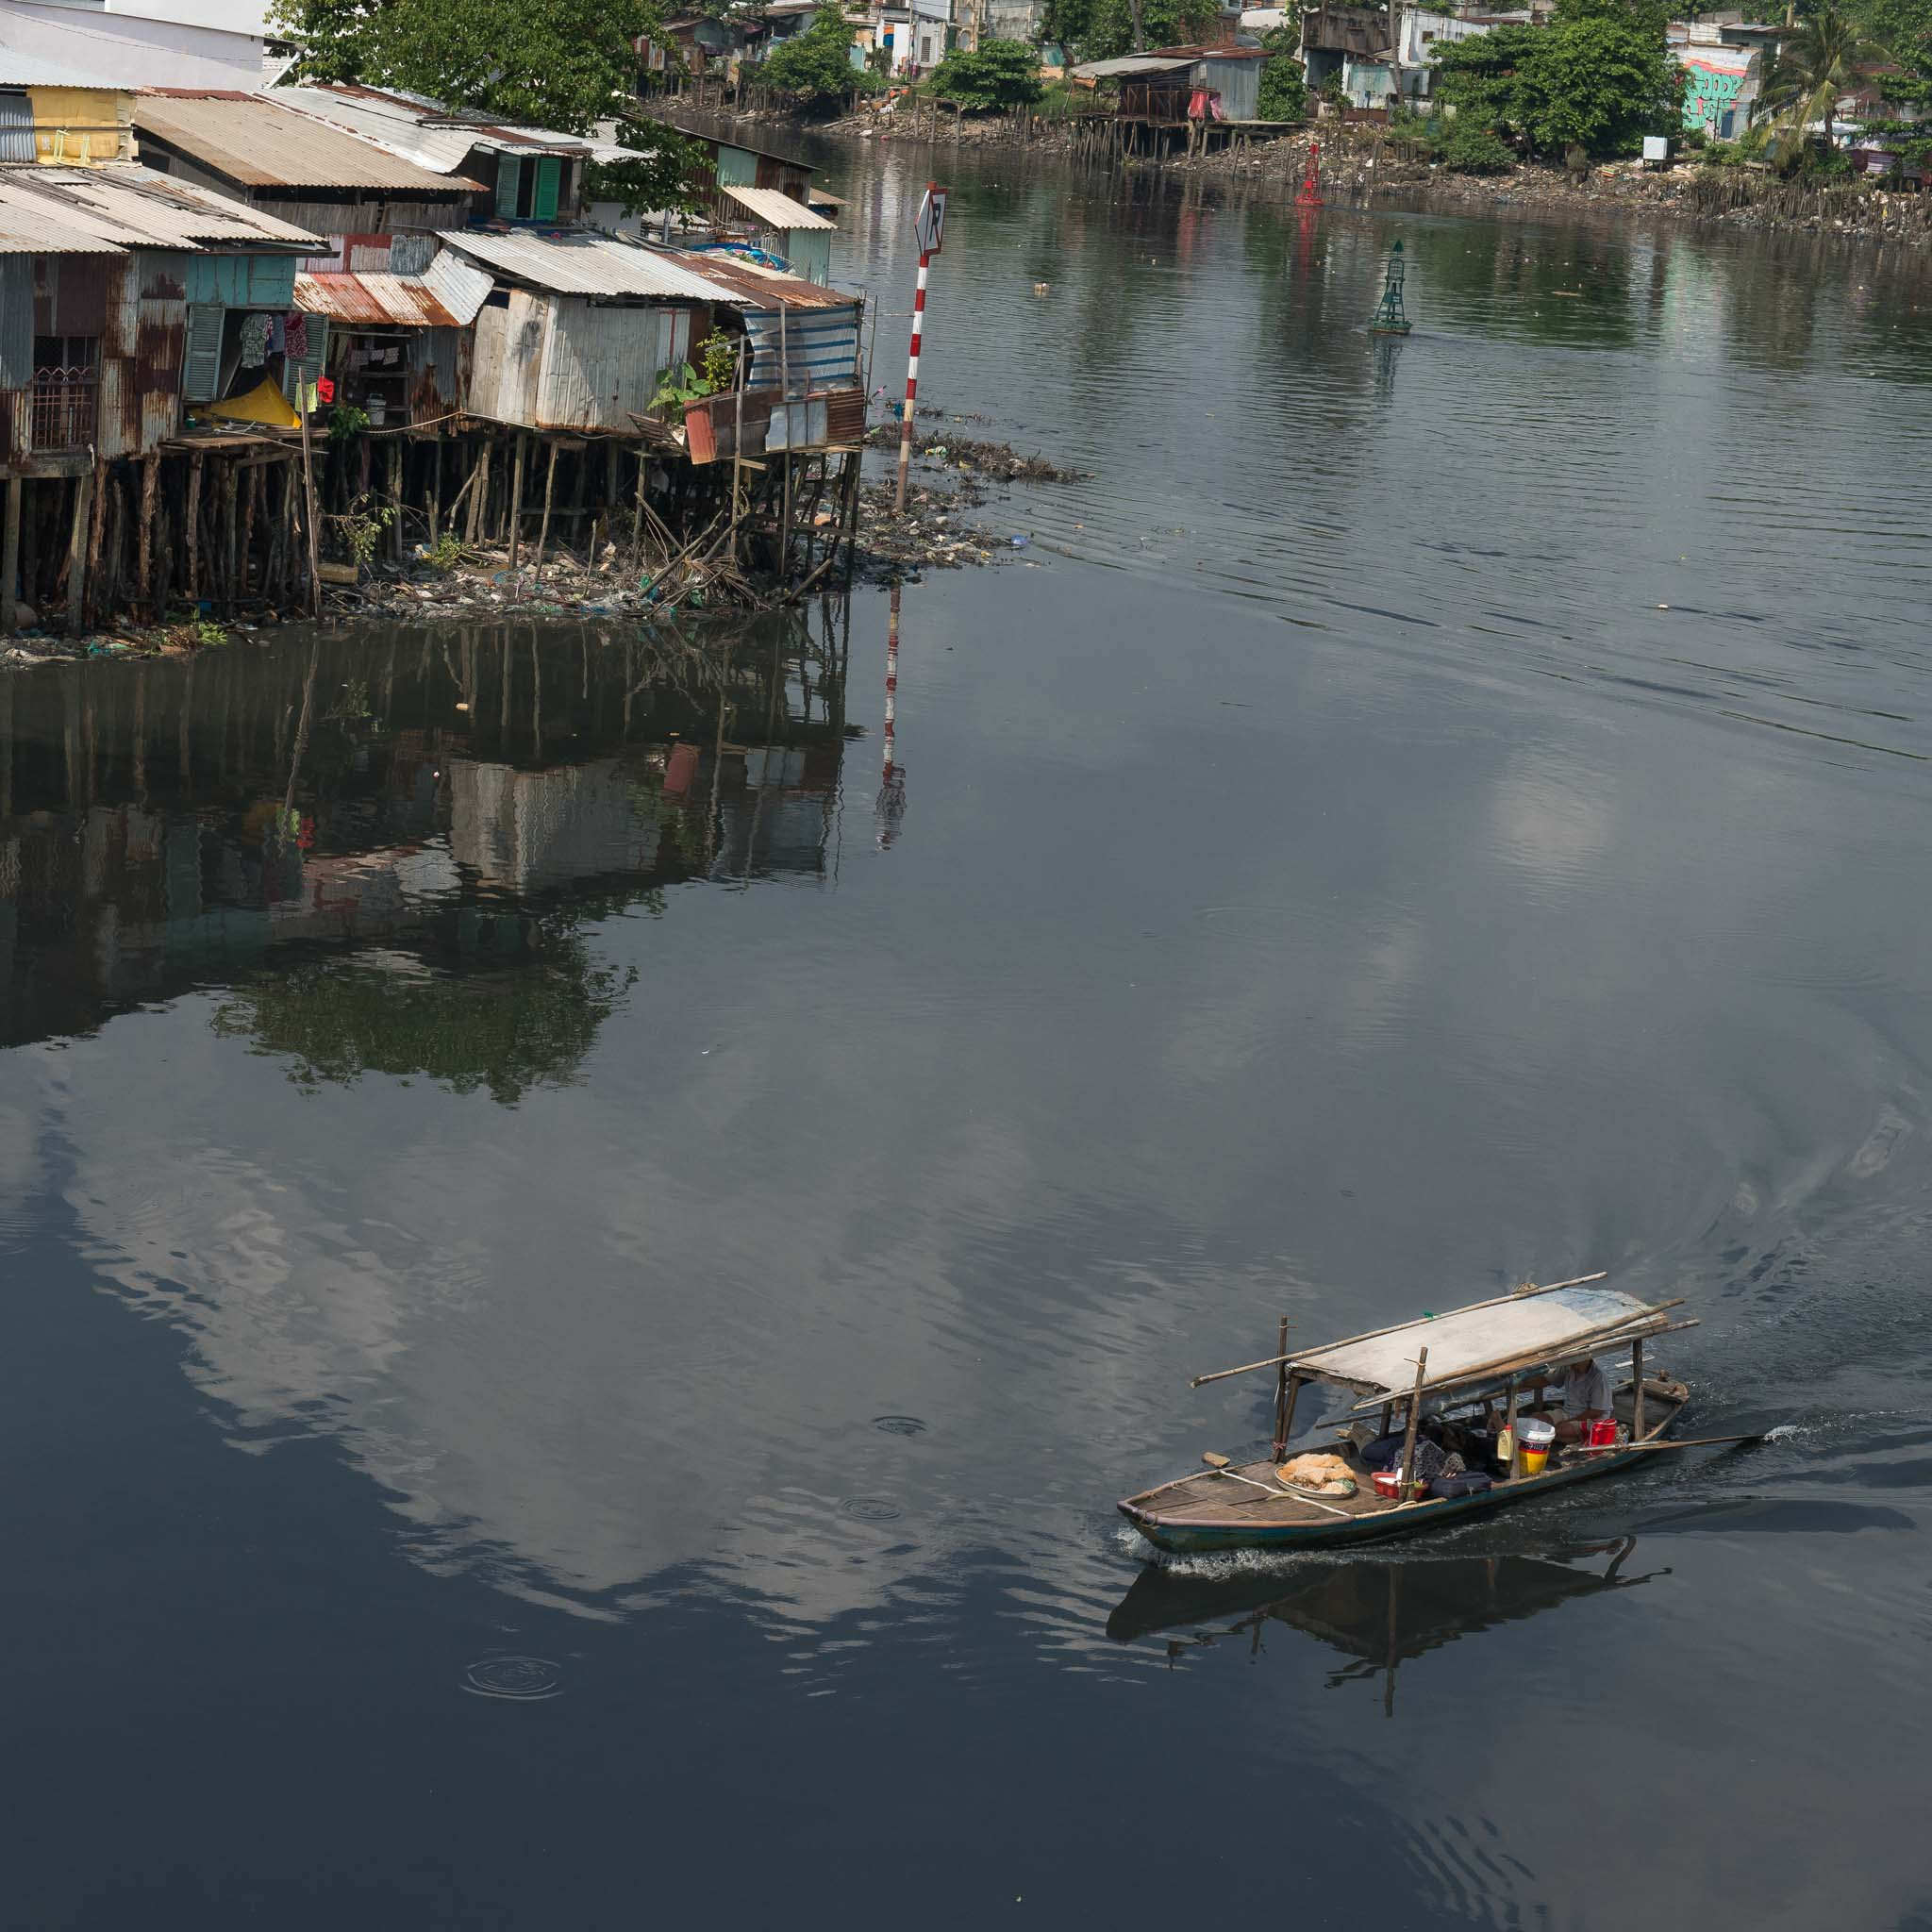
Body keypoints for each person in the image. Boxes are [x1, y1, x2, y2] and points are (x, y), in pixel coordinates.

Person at [1536, 1357, 1610, 1444]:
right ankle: (1558, 1437)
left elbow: (1597, 1411)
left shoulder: (1599, 1376)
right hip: (1567, 1412)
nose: (1572, 1365)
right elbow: (1547, 1380)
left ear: (1586, 1359)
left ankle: (1576, 1437)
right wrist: (1522, 1384)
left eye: (1575, 1362)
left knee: (1558, 1430)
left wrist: (1569, 1422)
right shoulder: (1568, 1366)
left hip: (1590, 1419)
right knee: (1536, 1419)